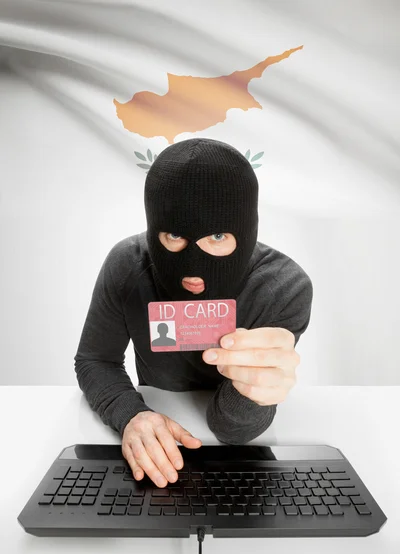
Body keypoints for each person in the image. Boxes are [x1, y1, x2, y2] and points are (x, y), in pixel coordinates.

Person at [74, 138, 313, 489]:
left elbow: (232, 431)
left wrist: (253, 391)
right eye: (173, 235)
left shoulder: (282, 287)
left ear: (246, 231)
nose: (192, 266)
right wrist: (131, 415)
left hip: (242, 459)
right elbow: (95, 360)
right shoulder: (127, 263)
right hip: (152, 444)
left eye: (217, 235)